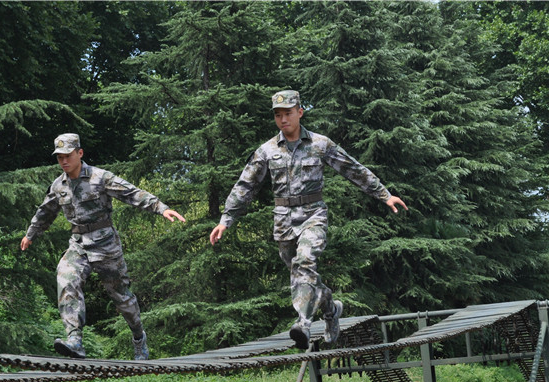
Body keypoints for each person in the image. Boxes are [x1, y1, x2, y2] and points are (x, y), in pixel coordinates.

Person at [209, 90, 407, 350]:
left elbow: (352, 168)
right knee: (303, 275)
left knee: (305, 261)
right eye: (278, 115)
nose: (283, 120)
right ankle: (330, 306)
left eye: (288, 113)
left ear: (300, 112)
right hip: (283, 221)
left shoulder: (319, 144)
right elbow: (245, 186)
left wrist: (384, 194)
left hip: (314, 215)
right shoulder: (267, 151)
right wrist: (226, 220)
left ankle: (303, 322)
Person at [22, 133, 186, 360]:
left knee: (121, 297)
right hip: (78, 245)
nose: (63, 161)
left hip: (106, 245)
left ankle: (139, 338)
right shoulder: (59, 185)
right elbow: (45, 211)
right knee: (66, 280)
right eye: (59, 157)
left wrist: (160, 207)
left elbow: (131, 192)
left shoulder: (100, 177)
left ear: (79, 153)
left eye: (67, 156)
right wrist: (31, 234)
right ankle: (74, 340)